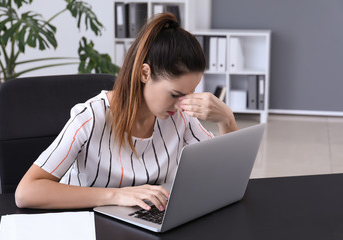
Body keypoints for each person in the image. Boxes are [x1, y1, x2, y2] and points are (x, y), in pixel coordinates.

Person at [15, 13, 238, 211]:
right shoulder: (90, 117)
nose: (184, 103)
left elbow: (225, 176)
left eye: (191, 93)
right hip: (89, 223)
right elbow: (26, 192)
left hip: (148, 218)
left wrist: (226, 119)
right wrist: (117, 195)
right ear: (144, 73)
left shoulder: (180, 116)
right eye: (176, 93)